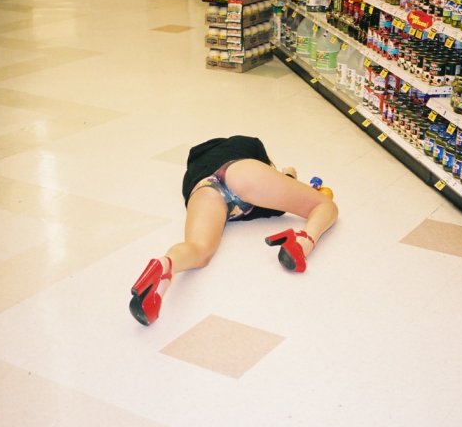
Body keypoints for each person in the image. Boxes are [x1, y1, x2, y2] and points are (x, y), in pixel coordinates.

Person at [129, 135, 339, 326]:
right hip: (241, 175)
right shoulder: (248, 143)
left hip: (204, 189)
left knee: (199, 249)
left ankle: (167, 264)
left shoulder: (192, 170)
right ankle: (302, 242)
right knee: (324, 205)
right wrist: (289, 176)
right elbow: (269, 193)